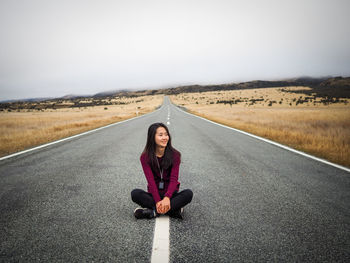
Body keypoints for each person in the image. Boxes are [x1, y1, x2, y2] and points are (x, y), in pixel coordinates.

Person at [131, 122, 193, 219]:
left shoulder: (175, 155)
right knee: (135, 193)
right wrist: (157, 201)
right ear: (152, 137)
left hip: (171, 194)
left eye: (166, 134)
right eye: (160, 135)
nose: (165, 137)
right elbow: (150, 181)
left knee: (188, 194)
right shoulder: (145, 157)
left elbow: (174, 179)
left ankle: (153, 211)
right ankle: (173, 210)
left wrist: (167, 198)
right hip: (154, 194)